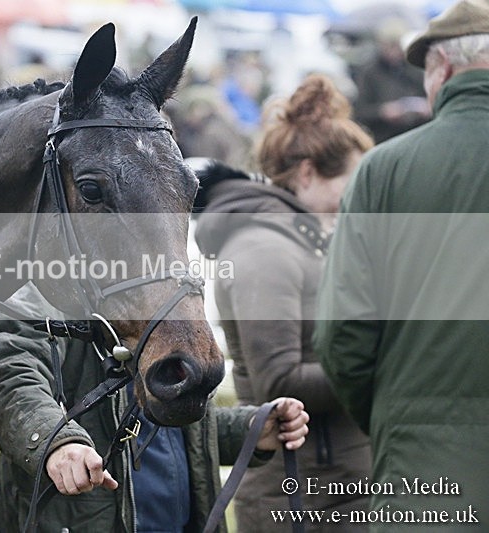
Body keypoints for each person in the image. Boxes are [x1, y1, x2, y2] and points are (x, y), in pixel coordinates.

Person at [314, 0, 489, 528]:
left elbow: (342, 334)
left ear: (443, 72)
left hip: (427, 468)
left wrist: (396, 411)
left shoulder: (383, 170)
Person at [0, 284, 309, 533]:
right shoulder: (39, 290)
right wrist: (58, 442)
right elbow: (10, 379)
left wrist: (250, 428)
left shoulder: (163, 289)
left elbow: (172, 432)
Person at [194, 73, 375, 531]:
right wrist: (390, 362)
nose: (358, 198)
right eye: (351, 183)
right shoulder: (264, 249)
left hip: (336, 488)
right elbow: (280, 380)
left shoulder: (308, 241)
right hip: (300, 498)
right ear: (309, 172)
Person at [353, 17, 431, 143]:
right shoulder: (369, 73)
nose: (394, 52)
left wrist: (427, 107)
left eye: (398, 47)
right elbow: (359, 112)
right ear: (381, 45)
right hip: (383, 138)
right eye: (390, 47)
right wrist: (382, 112)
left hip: (416, 135)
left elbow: (431, 97)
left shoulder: (415, 67)